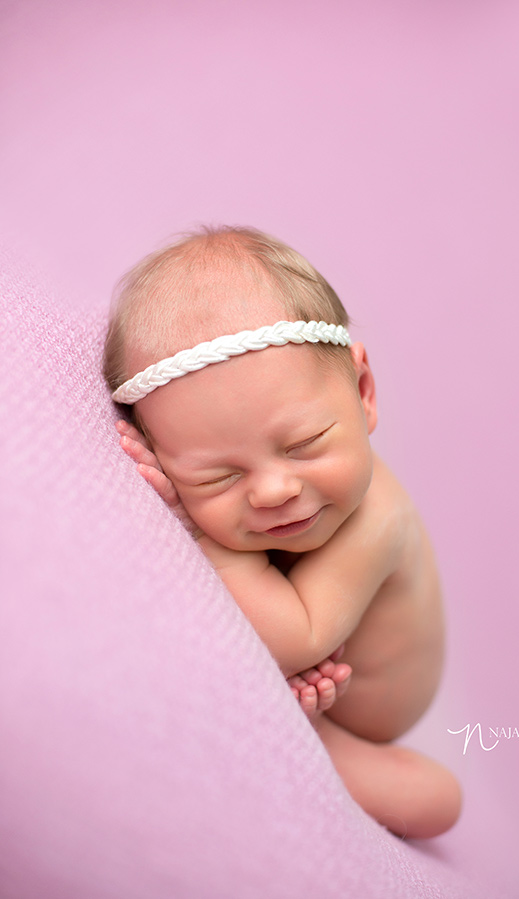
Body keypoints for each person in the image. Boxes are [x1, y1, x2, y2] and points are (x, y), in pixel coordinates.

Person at [104, 226, 461, 838]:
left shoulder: (377, 516)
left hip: (364, 720)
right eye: (218, 475)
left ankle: (317, 737)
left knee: (438, 801)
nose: (274, 491)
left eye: (304, 445)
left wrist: (201, 529)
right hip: (299, 647)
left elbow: (296, 639)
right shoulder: (286, 491)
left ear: (363, 392)